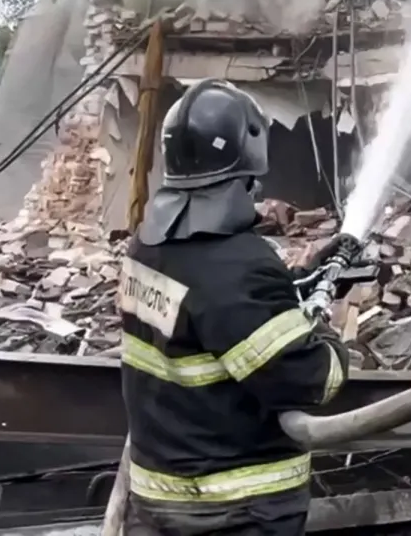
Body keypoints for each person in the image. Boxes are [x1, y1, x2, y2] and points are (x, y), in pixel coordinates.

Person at [120, 79, 349, 536]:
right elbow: (309, 381)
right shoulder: (240, 267)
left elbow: (210, 315)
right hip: (234, 510)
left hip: (157, 498)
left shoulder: (147, 246)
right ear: (249, 163)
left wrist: (297, 280)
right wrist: (324, 330)